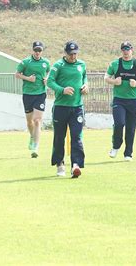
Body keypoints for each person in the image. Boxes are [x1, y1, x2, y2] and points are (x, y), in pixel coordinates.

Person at [47, 41, 88, 178]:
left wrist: (85, 86)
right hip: (61, 107)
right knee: (59, 137)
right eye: (70, 54)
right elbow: (50, 81)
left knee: (76, 137)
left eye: (75, 53)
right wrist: (62, 90)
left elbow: (84, 78)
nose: (73, 56)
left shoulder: (81, 65)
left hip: (77, 107)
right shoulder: (58, 66)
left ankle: (76, 165)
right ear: (65, 53)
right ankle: (60, 163)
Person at [104, 41, 136, 161]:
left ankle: (128, 153)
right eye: (123, 50)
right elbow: (106, 77)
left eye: (127, 49)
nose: (126, 52)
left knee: (131, 127)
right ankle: (116, 146)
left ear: (131, 50)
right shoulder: (115, 64)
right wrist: (114, 82)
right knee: (119, 123)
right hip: (119, 100)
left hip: (133, 100)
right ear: (121, 51)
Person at [15, 41, 50, 158]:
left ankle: (36, 146)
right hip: (28, 94)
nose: (37, 52)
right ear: (32, 50)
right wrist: (28, 78)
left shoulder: (46, 63)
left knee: (37, 120)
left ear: (42, 51)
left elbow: (49, 73)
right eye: (36, 50)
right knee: (29, 122)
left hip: (40, 94)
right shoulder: (26, 62)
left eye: (40, 50)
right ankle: (32, 136)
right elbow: (17, 74)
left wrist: (47, 79)